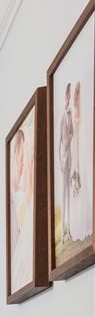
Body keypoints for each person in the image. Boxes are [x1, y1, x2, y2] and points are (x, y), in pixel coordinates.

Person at [9, 128, 34, 290]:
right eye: (19, 156)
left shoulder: (25, 191)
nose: (21, 162)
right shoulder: (15, 191)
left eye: (23, 159)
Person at [69, 81, 92, 243]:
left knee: (82, 178)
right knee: (77, 183)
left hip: (78, 146)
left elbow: (77, 127)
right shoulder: (74, 110)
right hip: (75, 147)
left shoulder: (78, 109)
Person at [59, 83, 74, 241]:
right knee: (63, 196)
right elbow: (58, 143)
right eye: (67, 95)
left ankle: (69, 229)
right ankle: (63, 230)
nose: (68, 98)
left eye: (70, 95)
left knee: (70, 195)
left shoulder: (71, 114)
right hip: (63, 162)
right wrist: (60, 162)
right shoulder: (62, 116)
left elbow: (72, 134)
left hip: (70, 158)